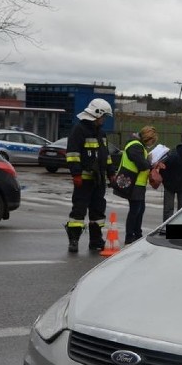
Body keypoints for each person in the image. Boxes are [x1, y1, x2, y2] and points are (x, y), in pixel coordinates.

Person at [64, 98, 116, 253]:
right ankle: (74, 240)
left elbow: (106, 156)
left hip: (98, 180)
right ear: (97, 114)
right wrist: (76, 174)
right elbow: (73, 154)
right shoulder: (79, 130)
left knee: (98, 211)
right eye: (104, 116)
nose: (105, 120)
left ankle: (95, 240)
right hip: (84, 180)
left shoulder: (101, 133)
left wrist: (111, 173)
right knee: (78, 211)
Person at [120, 126, 158, 244]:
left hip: (138, 183)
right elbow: (142, 164)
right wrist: (150, 161)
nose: (152, 143)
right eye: (152, 141)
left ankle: (137, 234)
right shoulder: (136, 146)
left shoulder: (138, 146)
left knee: (139, 210)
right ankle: (130, 236)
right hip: (134, 183)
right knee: (135, 210)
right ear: (147, 138)